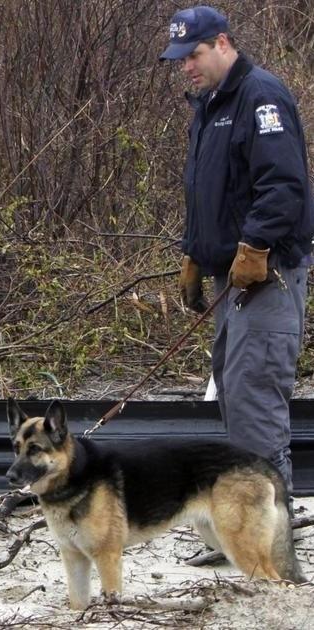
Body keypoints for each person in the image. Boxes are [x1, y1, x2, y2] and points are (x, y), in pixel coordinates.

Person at [162, 6, 313, 507]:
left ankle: (271, 526)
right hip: (234, 281)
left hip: (269, 276)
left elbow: (283, 185)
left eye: (195, 54)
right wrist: (194, 254)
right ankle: (248, 521)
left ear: (223, 44)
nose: (187, 66)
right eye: (180, 58)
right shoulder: (209, 107)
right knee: (233, 393)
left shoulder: (260, 96)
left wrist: (255, 246)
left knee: (255, 401)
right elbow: (205, 194)